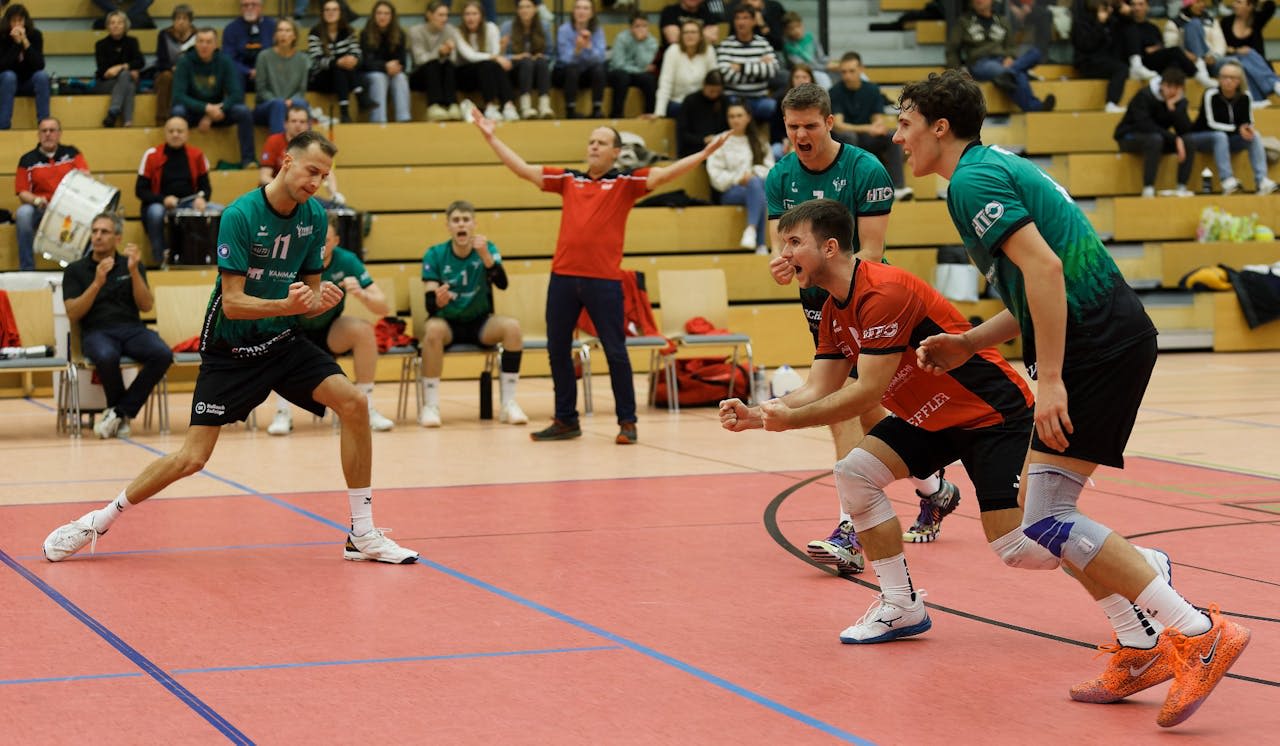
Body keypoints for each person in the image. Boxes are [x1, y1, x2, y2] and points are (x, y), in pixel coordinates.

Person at [895, 68, 1250, 728]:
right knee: (1044, 516)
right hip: (1101, 340)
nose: (898, 136)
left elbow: (1047, 271)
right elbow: (1031, 290)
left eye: (905, 123)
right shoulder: (983, 173)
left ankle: (1194, 630)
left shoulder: (972, 181)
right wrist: (969, 343)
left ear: (939, 127)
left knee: (1047, 517)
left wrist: (1050, 378)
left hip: (1097, 346)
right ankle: (1142, 643)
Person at [42, 130, 419, 567]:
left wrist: (322, 301)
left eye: (325, 175)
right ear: (286, 164)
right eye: (311, 171)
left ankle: (362, 533)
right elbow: (236, 304)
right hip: (231, 349)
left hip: (281, 340)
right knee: (192, 458)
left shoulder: (314, 217)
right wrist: (289, 304)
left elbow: (308, 301)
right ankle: (98, 521)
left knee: (353, 404)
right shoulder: (240, 215)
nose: (317, 182)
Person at [766, 84, 960, 574]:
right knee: (870, 411)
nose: (801, 135)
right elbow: (784, 246)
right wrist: (784, 265)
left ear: (830, 122)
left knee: (846, 406)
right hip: (821, 308)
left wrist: (839, 297)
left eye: (810, 125)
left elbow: (869, 252)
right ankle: (934, 490)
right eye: (792, 127)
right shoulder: (780, 176)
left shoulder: (865, 169)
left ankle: (849, 529)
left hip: (870, 303)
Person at [473, 109, 729, 444]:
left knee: (615, 351)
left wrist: (705, 153)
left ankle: (627, 421)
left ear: (615, 152)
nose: (593, 146)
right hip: (563, 278)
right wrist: (491, 137)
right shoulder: (568, 180)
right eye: (591, 141)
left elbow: (665, 175)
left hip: (604, 282)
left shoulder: (625, 183)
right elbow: (523, 170)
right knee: (557, 349)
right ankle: (566, 419)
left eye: (602, 142)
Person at [268, 215, 396, 434]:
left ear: (336, 241)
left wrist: (361, 293)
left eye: (325, 240)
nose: (319, 245)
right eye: (315, 239)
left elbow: (383, 307)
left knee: (363, 330)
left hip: (330, 331)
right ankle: (282, 412)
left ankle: (367, 406)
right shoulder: (291, 259)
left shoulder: (347, 261)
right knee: (276, 331)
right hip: (294, 331)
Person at [62, 213, 173, 439]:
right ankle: (119, 415)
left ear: (118, 238)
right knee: (106, 355)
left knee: (162, 353)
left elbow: (146, 305)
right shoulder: (75, 269)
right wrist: (96, 283)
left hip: (132, 329)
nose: (98, 236)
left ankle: (119, 412)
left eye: (104, 232)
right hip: (96, 331)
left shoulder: (131, 264)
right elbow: (73, 313)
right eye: (94, 231)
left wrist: (133, 271)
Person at [417, 200, 527, 428]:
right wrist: (438, 300)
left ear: (474, 224)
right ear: (448, 226)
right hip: (447, 323)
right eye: (456, 220)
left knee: (512, 327)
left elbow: (503, 283)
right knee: (432, 330)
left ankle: (509, 403)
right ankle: (431, 405)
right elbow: (429, 304)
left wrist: (486, 257)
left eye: (466, 220)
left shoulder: (487, 249)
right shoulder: (435, 254)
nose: (461, 224)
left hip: (480, 323)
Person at [828, 52, 913, 203]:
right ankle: (852, 187)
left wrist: (877, 127)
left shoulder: (872, 89)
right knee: (849, 136)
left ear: (861, 69)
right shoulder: (835, 92)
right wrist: (868, 128)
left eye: (851, 71)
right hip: (842, 140)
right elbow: (839, 126)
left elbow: (877, 120)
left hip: (866, 138)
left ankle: (897, 188)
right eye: (844, 72)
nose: (847, 75)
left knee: (891, 136)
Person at [137, 116, 220, 265]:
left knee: (223, 211)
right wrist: (163, 200)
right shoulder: (152, 155)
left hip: (189, 203)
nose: (175, 134)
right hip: (160, 204)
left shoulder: (197, 155)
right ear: (165, 133)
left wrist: (202, 199)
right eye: (171, 131)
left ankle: (215, 258)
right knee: (155, 213)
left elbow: (205, 188)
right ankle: (160, 257)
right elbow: (140, 190)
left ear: (187, 134)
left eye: (179, 131)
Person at [946, 0, 1056, 112]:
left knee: (1035, 54)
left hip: (1002, 61)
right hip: (980, 63)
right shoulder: (963, 22)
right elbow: (952, 50)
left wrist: (1010, 57)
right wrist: (958, 72)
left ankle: (1009, 72)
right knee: (1017, 74)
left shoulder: (1003, 21)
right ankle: (1035, 107)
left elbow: (1011, 47)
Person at [172, 27, 257, 169]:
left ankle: (248, 160)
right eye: (201, 41)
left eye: (208, 42)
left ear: (216, 45)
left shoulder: (224, 61)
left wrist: (215, 112)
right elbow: (178, 96)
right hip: (194, 112)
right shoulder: (185, 62)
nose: (204, 45)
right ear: (195, 43)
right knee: (177, 112)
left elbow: (236, 94)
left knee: (243, 111)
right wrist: (205, 109)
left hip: (219, 112)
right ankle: (177, 161)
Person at [15, 118, 90, 272]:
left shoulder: (72, 153)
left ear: (59, 134)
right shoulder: (27, 160)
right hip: (43, 209)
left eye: (52, 130)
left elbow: (85, 176)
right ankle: (27, 269)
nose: (48, 134)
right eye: (44, 131)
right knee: (23, 213)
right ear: (38, 134)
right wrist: (36, 200)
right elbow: (22, 192)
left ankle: (84, 270)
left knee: (95, 217)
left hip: (70, 209)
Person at [1195, 60, 1279, 193]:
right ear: (1219, 78)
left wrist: (1247, 129)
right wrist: (1237, 129)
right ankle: (1227, 181)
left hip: (1230, 139)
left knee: (1254, 135)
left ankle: (1262, 180)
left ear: (1239, 81)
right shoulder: (1210, 94)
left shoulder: (1245, 96)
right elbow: (1211, 124)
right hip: (1205, 137)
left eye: (1232, 78)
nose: (1228, 81)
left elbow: (1248, 121)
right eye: (1224, 77)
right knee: (1220, 136)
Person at [1114, 66, 1198, 197]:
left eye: (1177, 88)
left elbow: (1185, 129)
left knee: (1189, 141)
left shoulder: (1179, 101)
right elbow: (1144, 125)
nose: (1172, 91)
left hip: (1158, 138)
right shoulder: (1144, 95)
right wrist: (1175, 138)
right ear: (1162, 84)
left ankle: (1181, 186)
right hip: (1129, 136)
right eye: (1169, 86)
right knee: (1155, 139)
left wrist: (1174, 109)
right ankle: (1148, 188)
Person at [707, 100, 772, 251]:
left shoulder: (760, 140)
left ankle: (751, 231)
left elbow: (771, 169)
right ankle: (760, 242)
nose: (735, 120)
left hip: (756, 187)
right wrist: (739, 178)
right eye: (731, 116)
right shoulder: (720, 141)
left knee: (757, 186)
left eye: (739, 115)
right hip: (731, 191)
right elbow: (715, 176)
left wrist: (753, 173)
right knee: (758, 188)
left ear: (748, 117)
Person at [260, 103, 346, 210]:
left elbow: (328, 173)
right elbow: (264, 177)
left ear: (308, 125)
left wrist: (334, 194)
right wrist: (285, 189)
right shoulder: (274, 141)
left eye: (302, 121)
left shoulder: (315, 146)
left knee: (339, 208)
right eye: (294, 121)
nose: (298, 125)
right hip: (276, 196)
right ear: (285, 124)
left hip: (302, 194)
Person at [1123, 0, 1213, 86]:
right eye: (1133, 4)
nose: (1137, 8)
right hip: (1140, 61)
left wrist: (1155, 48)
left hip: (1155, 61)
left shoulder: (1152, 27)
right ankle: (1198, 75)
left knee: (1175, 64)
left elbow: (1161, 46)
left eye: (1140, 4)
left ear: (1147, 7)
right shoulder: (1126, 26)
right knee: (1175, 50)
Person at [716, 3, 779, 123]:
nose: (741, 22)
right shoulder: (726, 45)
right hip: (734, 97)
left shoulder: (763, 44)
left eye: (745, 18)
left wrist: (741, 67)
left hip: (758, 98)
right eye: (738, 18)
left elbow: (772, 71)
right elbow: (726, 75)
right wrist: (758, 70)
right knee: (730, 108)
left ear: (754, 21)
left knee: (771, 106)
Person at [456, 0, 518, 121]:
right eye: (467, 14)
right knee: (489, 64)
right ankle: (490, 106)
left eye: (474, 14)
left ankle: (508, 105)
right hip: (465, 74)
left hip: (487, 71)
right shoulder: (457, 32)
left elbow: (495, 52)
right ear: (463, 17)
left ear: (481, 15)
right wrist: (496, 57)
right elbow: (470, 56)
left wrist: (497, 56)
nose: (471, 18)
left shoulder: (491, 28)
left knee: (492, 65)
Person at [308, 0, 362, 123]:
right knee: (339, 66)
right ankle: (359, 95)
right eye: (327, 10)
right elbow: (317, 60)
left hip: (343, 78)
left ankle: (345, 113)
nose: (330, 13)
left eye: (334, 10)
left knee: (343, 67)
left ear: (340, 13)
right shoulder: (315, 32)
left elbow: (356, 52)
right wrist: (337, 62)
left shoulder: (348, 31)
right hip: (322, 78)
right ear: (322, 13)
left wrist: (352, 59)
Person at [408, 1, 463, 122]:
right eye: (441, 15)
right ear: (429, 15)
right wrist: (439, 53)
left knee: (449, 65)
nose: (445, 19)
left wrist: (448, 53)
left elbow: (454, 60)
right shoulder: (415, 31)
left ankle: (452, 104)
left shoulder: (450, 30)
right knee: (432, 64)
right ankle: (433, 105)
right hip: (420, 75)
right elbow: (419, 59)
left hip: (443, 73)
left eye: (446, 15)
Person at [359, 0, 412, 124]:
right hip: (370, 74)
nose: (382, 16)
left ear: (392, 16)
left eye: (386, 13)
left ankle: (404, 119)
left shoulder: (400, 34)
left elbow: (402, 62)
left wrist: (395, 67)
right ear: (374, 15)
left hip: (392, 73)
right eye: (379, 13)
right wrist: (384, 66)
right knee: (379, 78)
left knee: (401, 78)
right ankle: (378, 121)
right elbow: (365, 63)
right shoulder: (365, 34)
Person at [254, 17, 310, 133]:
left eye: (288, 30)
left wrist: (290, 101)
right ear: (275, 35)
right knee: (278, 105)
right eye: (280, 30)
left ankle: (305, 147)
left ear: (294, 36)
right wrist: (280, 102)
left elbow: (301, 90)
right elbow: (261, 90)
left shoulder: (303, 59)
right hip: (267, 106)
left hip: (292, 104)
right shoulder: (264, 56)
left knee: (302, 103)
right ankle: (279, 148)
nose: (283, 34)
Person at [501, 0, 555, 119]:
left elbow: (551, 54)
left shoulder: (544, 26)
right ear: (517, 10)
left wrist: (542, 56)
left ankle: (544, 106)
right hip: (516, 69)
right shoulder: (507, 27)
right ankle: (525, 107)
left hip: (538, 68)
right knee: (526, 62)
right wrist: (516, 57)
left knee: (541, 62)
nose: (524, 10)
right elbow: (500, 56)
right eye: (521, 7)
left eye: (528, 7)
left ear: (535, 9)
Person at [1073, 0, 1129, 113]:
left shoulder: (1110, 23)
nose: (1109, 11)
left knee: (1122, 66)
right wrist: (1099, 25)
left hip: (1103, 60)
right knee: (1121, 69)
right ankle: (1111, 103)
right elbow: (1086, 45)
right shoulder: (1081, 23)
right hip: (1087, 62)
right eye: (1105, 8)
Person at [0, 4, 50, 131]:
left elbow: (40, 65)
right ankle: (3, 126)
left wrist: (25, 42)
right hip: (6, 83)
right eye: (14, 21)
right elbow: (2, 66)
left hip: (28, 82)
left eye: (20, 20)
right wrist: (17, 45)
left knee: (42, 76)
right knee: (9, 76)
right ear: (8, 22)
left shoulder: (35, 35)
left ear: (25, 21)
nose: (17, 24)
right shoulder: (2, 36)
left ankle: (44, 125)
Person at [554, 0, 607, 119]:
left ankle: (597, 109)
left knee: (599, 69)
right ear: (573, 12)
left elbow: (600, 58)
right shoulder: (564, 30)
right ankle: (570, 110)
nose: (581, 11)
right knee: (572, 68)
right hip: (565, 74)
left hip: (587, 74)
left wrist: (588, 48)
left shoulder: (598, 31)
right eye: (578, 8)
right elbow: (564, 59)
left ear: (592, 13)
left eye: (585, 8)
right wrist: (577, 50)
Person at [1220, 0, 1280, 102]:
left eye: (1239, 2)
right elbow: (1222, 47)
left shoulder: (1257, 20)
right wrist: (1237, 50)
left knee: (1248, 57)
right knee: (1243, 61)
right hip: (1233, 60)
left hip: (1256, 63)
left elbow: (1270, 6)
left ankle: (1258, 100)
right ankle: (1274, 84)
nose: (1234, 5)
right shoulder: (1226, 22)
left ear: (1250, 6)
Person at [654, 18, 716, 118]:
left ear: (700, 36)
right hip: (678, 102)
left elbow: (714, 81)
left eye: (693, 32)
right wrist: (659, 112)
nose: (689, 35)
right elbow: (665, 83)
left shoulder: (709, 51)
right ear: (681, 36)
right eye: (685, 32)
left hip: (702, 102)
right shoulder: (672, 51)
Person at [94, 10, 145, 128]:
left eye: (119, 23)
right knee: (127, 80)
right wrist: (127, 69)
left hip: (126, 81)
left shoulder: (132, 42)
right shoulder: (100, 45)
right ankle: (127, 120)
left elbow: (140, 61)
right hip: (106, 83)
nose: (116, 26)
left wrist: (121, 67)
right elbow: (103, 72)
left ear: (125, 25)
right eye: (112, 23)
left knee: (125, 77)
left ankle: (113, 113)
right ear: (107, 26)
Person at [608, 10, 659, 119]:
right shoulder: (621, 38)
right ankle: (616, 115)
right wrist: (640, 69)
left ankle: (649, 113)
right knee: (622, 77)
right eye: (637, 26)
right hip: (618, 73)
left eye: (644, 26)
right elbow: (618, 64)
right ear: (630, 28)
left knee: (649, 79)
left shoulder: (652, 41)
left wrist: (640, 42)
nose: (641, 29)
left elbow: (645, 63)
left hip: (635, 73)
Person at [151, 4, 195, 127]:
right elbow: (161, 61)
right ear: (173, 21)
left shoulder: (198, 36)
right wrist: (173, 68)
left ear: (190, 21)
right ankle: (162, 119)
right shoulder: (164, 35)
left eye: (184, 19)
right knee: (166, 77)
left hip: (189, 73)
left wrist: (183, 69)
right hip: (168, 71)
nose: (181, 22)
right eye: (178, 19)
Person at [222, 0, 277, 92]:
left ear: (261, 6)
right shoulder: (231, 29)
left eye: (253, 5)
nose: (249, 8)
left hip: (268, 72)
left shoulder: (273, 26)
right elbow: (228, 58)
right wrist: (247, 71)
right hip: (241, 74)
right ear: (241, 8)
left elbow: (278, 54)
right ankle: (238, 105)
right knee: (233, 72)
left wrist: (262, 71)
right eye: (245, 5)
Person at [675, 69, 727, 156]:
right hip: (694, 148)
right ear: (704, 85)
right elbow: (682, 133)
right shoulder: (690, 101)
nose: (714, 94)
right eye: (711, 91)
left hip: (718, 148)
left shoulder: (724, 101)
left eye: (718, 91)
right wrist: (703, 140)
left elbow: (726, 129)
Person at [780, 11, 834, 89]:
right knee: (822, 77)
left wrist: (833, 63)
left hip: (820, 68)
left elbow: (821, 57)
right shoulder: (788, 46)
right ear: (786, 31)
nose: (796, 30)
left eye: (798, 26)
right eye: (792, 28)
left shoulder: (810, 37)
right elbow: (804, 66)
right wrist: (826, 67)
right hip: (806, 72)